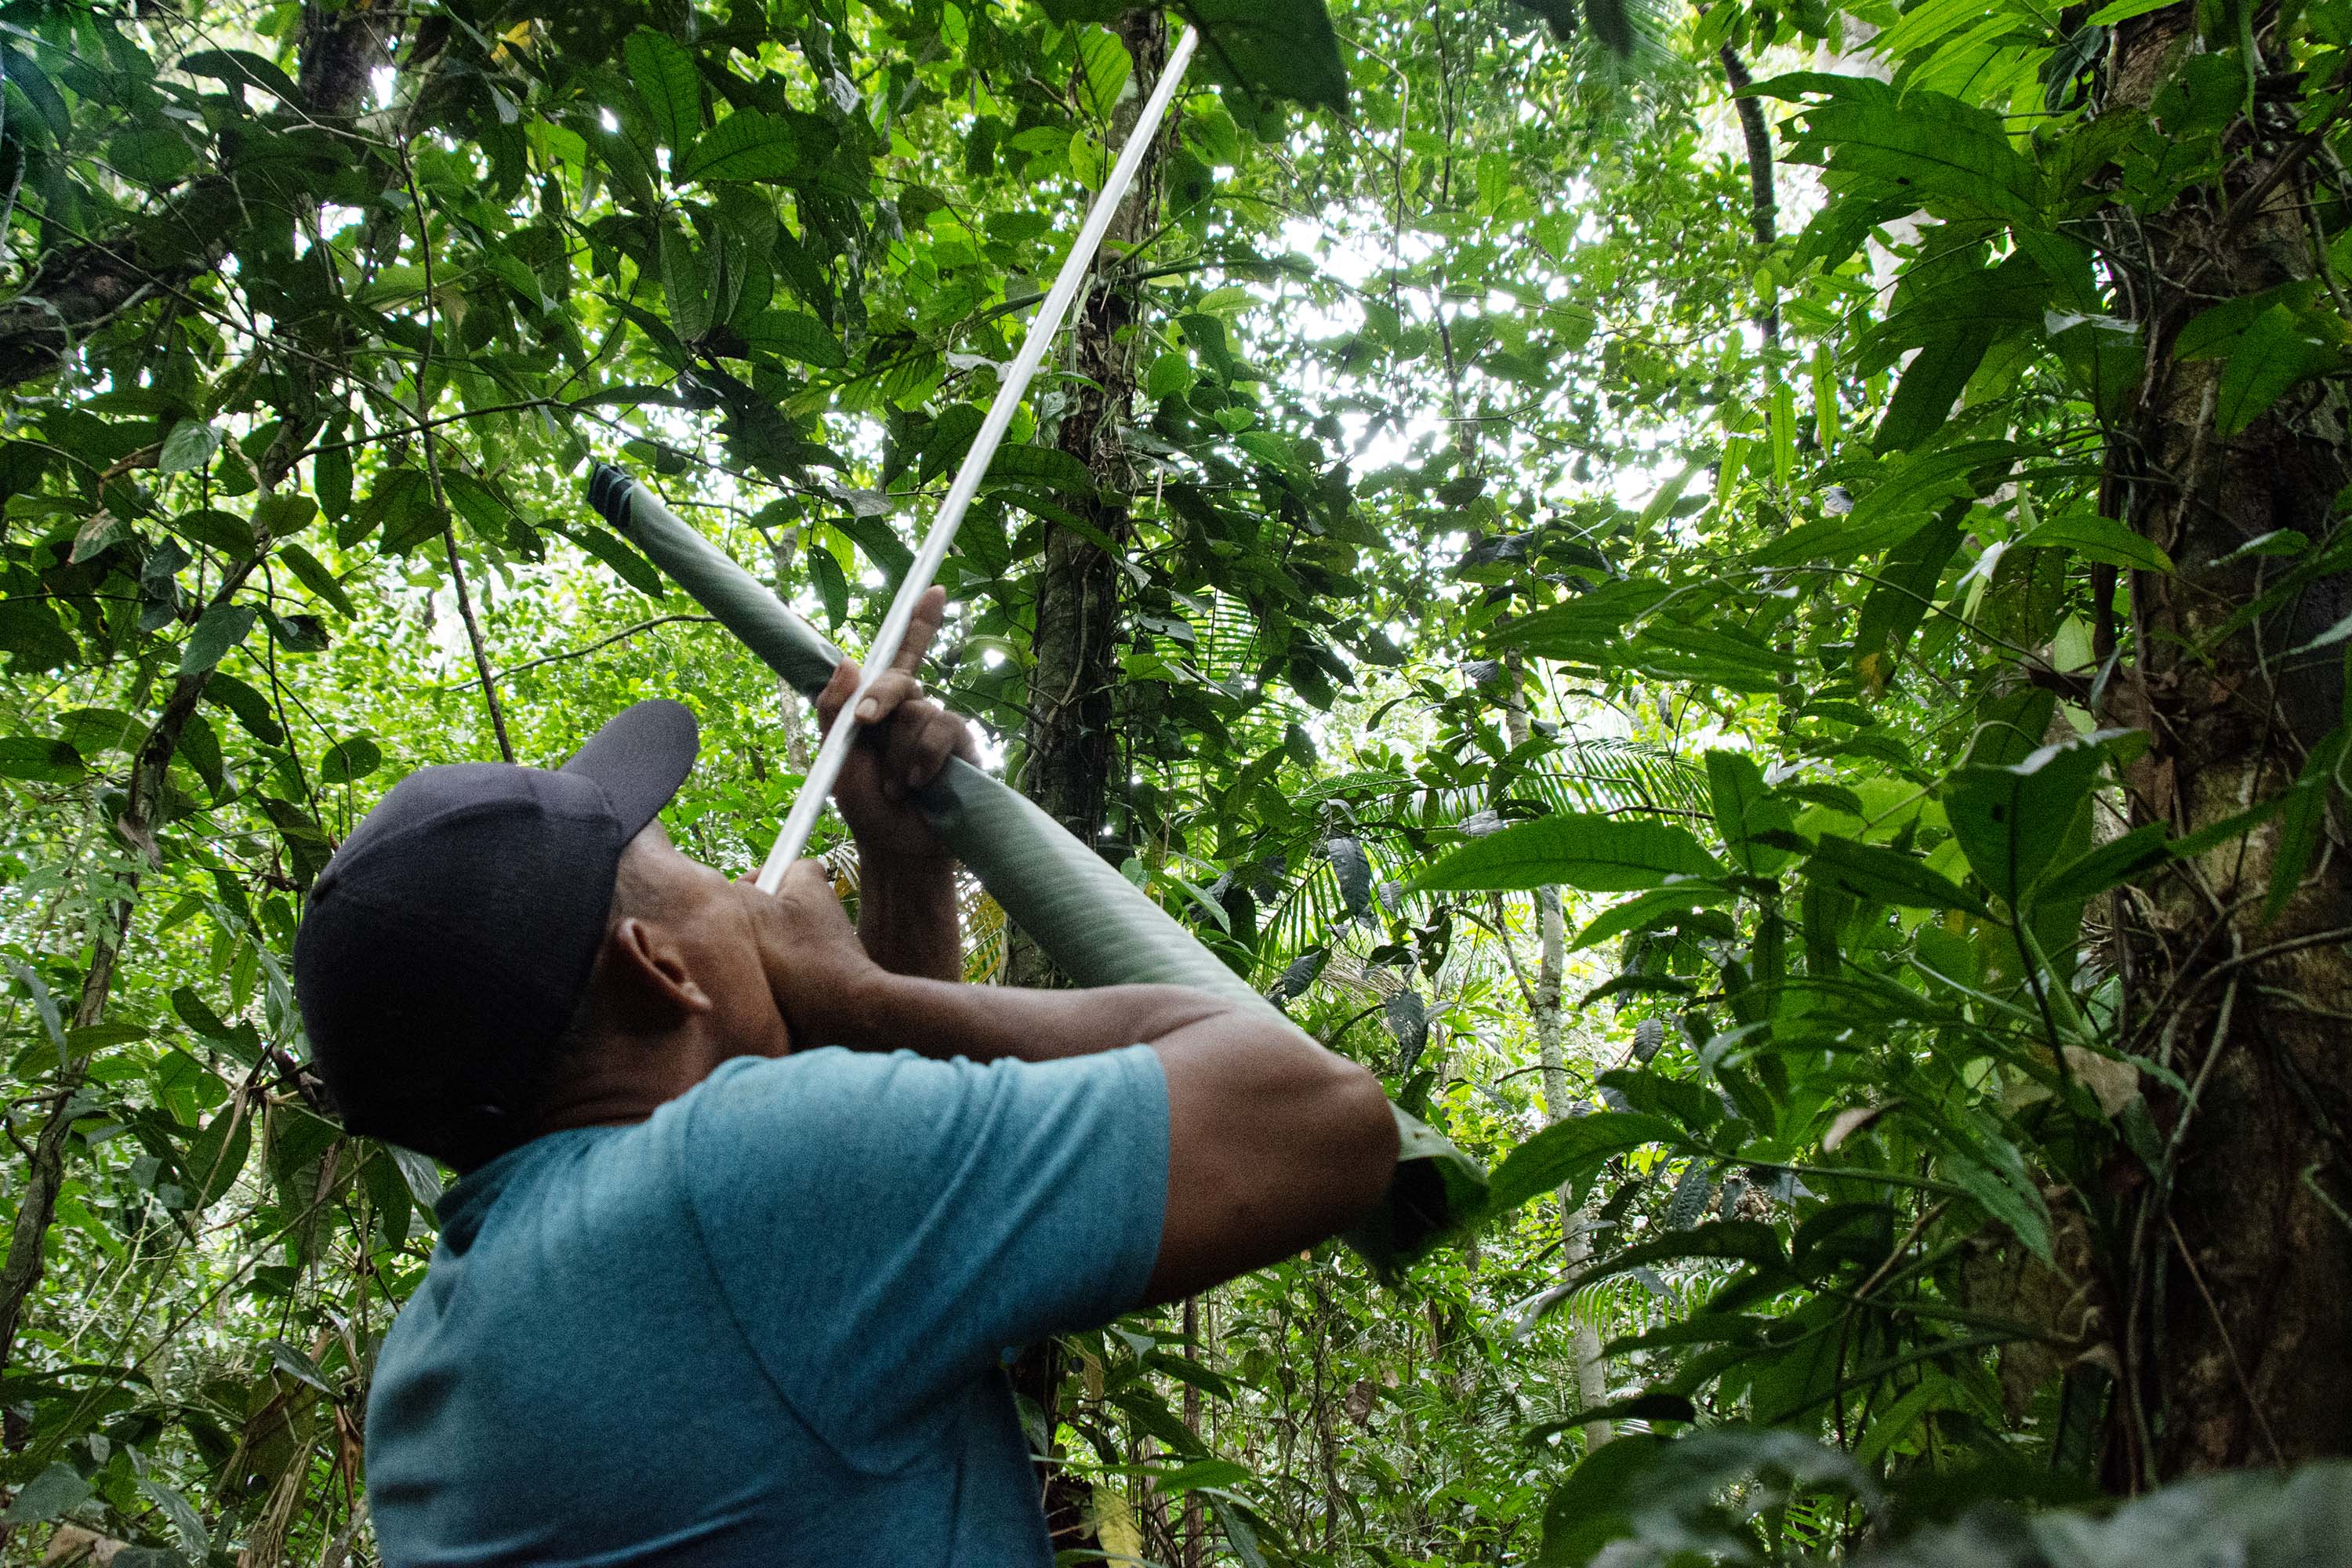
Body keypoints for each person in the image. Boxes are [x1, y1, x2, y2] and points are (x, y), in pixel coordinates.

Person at [291, 586, 1399, 1566]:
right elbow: (1321, 1116)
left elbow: (901, 1271)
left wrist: (903, 867)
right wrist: (854, 990)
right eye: (701, 875)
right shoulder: (729, 1188)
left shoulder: (430, 1370)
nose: (751, 891)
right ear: (658, 972)